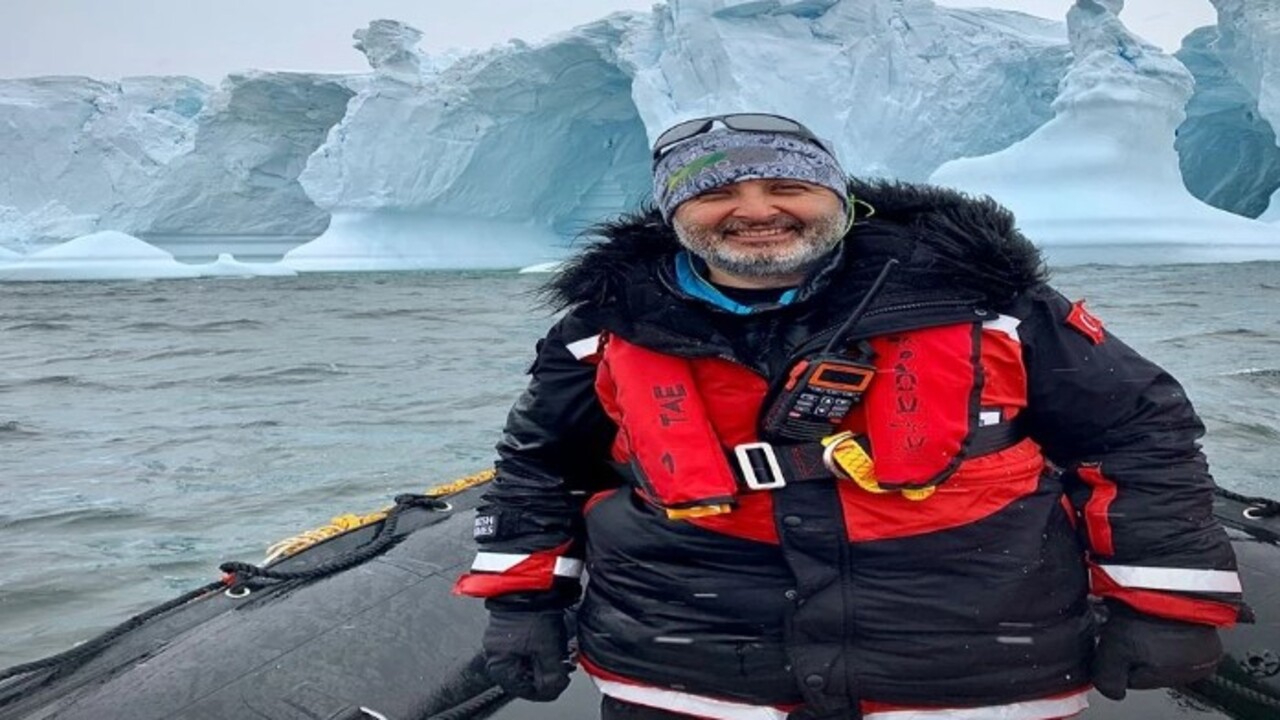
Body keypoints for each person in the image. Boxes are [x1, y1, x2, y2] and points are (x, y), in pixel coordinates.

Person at [454, 113, 1242, 720]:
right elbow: (541, 468)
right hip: (690, 664)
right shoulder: (599, 332)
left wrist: (1165, 608)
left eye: (786, 187)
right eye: (715, 191)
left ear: (837, 195)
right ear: (673, 211)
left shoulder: (989, 304)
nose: (755, 210)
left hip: (971, 665)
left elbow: (1138, 432)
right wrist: (523, 605)